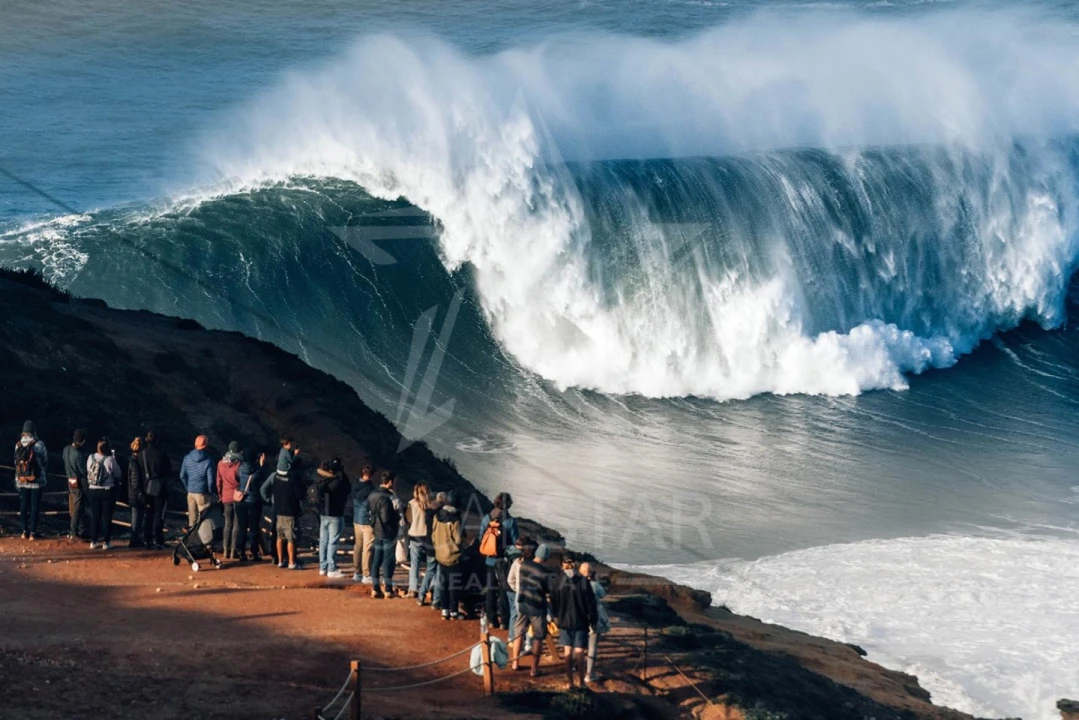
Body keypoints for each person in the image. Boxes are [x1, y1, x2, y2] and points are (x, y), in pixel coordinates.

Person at [549, 553, 597, 688]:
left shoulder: (557, 581)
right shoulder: (583, 581)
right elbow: (591, 605)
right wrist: (594, 621)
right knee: (580, 653)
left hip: (564, 622)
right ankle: (581, 683)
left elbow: (553, 603)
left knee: (567, 653)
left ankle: (570, 682)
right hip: (581, 622)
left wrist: (553, 617)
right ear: (574, 564)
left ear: (561, 564)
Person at [509, 537, 549, 677]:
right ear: (545, 557)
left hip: (521, 602)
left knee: (518, 633)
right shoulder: (544, 572)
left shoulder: (524, 564)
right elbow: (547, 591)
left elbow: (515, 581)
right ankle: (534, 669)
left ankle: (515, 663)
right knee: (538, 637)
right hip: (536, 607)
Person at [479, 492, 519, 629]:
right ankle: (504, 620)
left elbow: (481, 539)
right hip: (504, 561)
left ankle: (491, 619)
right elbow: (515, 543)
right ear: (508, 505)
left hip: (489, 560)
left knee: (490, 589)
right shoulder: (510, 521)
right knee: (503, 590)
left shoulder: (486, 519)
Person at [269, 442, 306, 570]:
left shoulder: (276, 477)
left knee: (280, 537)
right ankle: (292, 562)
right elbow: (300, 495)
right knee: (291, 539)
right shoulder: (293, 479)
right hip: (290, 512)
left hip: (278, 511)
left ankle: (280, 561)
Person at [367, 471, 402, 598]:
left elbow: (369, 512)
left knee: (376, 561)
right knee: (388, 562)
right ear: (391, 482)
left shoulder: (373, 494)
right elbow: (386, 517)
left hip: (377, 531)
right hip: (388, 532)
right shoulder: (388, 498)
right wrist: (397, 515)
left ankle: (375, 588)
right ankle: (388, 589)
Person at [431, 491, 465, 619]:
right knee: (454, 585)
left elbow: (433, 535)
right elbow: (458, 539)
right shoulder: (455, 520)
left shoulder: (437, 516)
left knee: (443, 584)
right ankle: (454, 611)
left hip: (440, 555)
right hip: (453, 556)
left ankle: (444, 610)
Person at [315, 458, 349, 579]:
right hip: (335, 515)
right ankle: (332, 568)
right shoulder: (339, 483)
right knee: (333, 542)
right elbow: (348, 488)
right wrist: (344, 473)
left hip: (323, 514)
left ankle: (323, 567)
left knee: (323, 541)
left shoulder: (322, 481)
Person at [13, 421, 48, 541]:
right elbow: (44, 461)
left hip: (22, 480)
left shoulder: (18, 444)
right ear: (34, 431)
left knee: (24, 505)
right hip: (36, 480)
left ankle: (24, 531)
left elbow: (15, 462)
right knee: (35, 506)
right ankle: (33, 532)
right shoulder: (39, 444)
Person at [86, 438, 122, 550]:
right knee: (107, 518)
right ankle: (106, 542)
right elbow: (117, 473)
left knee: (95, 516)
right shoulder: (110, 459)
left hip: (92, 489)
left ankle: (93, 541)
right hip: (107, 490)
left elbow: (88, 471)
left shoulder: (90, 457)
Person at [578, 562, 611, 684]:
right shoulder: (594, 585)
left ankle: (576, 667)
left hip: (579, 618)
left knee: (579, 646)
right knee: (592, 647)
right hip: (593, 618)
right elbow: (603, 595)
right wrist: (596, 580)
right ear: (592, 573)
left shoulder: (576, 583)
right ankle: (589, 674)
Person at [139, 430, 171, 549]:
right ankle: (159, 540)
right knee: (158, 515)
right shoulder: (162, 454)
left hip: (145, 487)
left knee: (148, 514)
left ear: (146, 439)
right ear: (157, 440)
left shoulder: (142, 454)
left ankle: (147, 539)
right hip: (159, 488)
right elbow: (168, 470)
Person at [405, 482, 435, 600]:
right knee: (431, 565)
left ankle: (413, 589)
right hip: (428, 537)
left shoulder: (411, 503)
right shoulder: (432, 504)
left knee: (415, 564)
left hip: (414, 535)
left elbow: (408, 519)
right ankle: (431, 588)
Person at [179, 435, 216, 529]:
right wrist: (211, 492)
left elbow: (182, 475)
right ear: (206, 445)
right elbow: (211, 480)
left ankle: (192, 539)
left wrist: (188, 487)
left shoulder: (187, 458)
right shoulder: (208, 460)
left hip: (190, 492)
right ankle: (205, 540)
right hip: (203, 493)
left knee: (192, 519)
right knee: (204, 519)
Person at [216, 441, 244, 559]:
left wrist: (220, 495)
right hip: (237, 496)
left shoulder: (220, 463)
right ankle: (233, 550)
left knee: (227, 523)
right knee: (236, 524)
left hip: (225, 497)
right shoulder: (239, 464)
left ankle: (225, 549)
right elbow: (242, 480)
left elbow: (218, 482)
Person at [238, 449, 266, 561]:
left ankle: (241, 552)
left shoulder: (239, 469)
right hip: (254, 501)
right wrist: (261, 464)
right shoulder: (258, 470)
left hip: (241, 502)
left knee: (242, 528)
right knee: (254, 528)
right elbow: (262, 478)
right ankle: (254, 552)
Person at [350, 464, 375, 584]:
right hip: (367, 521)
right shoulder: (370, 489)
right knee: (367, 548)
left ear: (362, 471)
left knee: (358, 546)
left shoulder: (355, 485)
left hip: (356, 519)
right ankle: (366, 573)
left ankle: (357, 572)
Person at [62, 429, 89, 541]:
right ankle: (74, 531)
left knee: (78, 506)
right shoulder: (78, 454)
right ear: (82, 441)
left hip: (70, 480)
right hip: (78, 482)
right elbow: (83, 472)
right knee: (78, 507)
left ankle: (81, 530)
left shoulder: (66, 449)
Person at [126, 437, 148, 548]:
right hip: (136, 496)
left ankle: (135, 539)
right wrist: (141, 496)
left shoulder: (132, 461)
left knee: (136, 518)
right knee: (136, 519)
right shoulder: (135, 463)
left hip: (133, 495)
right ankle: (134, 540)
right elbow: (135, 483)